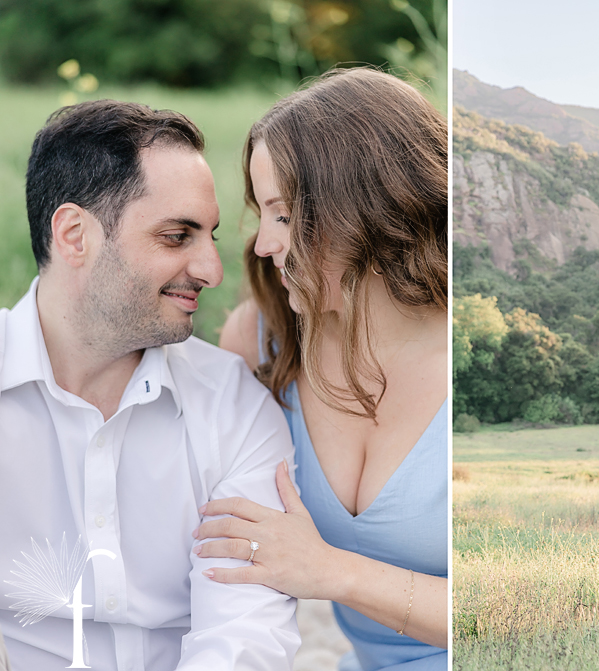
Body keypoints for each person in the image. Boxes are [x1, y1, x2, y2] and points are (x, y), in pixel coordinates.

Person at [0, 100, 301, 669]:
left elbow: (245, 635)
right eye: (176, 236)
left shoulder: (233, 405)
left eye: (208, 235)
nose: (213, 270)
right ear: (74, 235)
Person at [193, 68, 448, 670]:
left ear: (364, 210)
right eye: (263, 214)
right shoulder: (264, 340)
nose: (262, 244)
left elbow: (523, 613)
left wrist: (332, 571)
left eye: (282, 215)